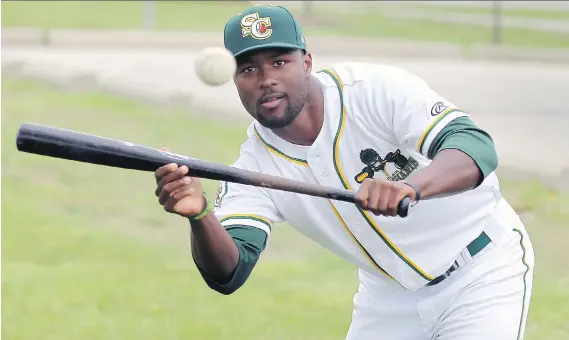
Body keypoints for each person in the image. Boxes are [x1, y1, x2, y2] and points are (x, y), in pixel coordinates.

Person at [154, 5, 534, 339]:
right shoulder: (253, 168)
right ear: (235, 82)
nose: (266, 78)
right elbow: (228, 273)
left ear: (306, 62)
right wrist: (200, 214)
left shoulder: (373, 91)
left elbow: (475, 146)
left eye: (280, 62)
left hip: (480, 267)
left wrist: (412, 188)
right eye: (249, 68)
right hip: (387, 296)